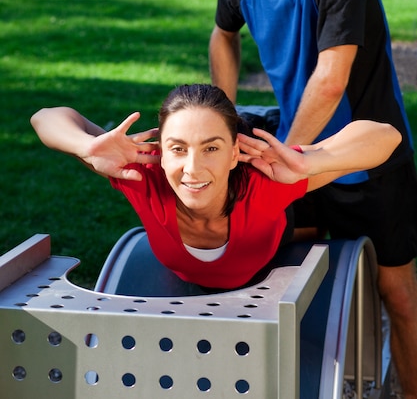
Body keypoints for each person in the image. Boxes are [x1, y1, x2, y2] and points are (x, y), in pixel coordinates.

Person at [209, 0, 417, 397]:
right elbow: (222, 34)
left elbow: (331, 77)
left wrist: (288, 154)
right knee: (293, 286)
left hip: (365, 155)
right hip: (296, 159)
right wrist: (222, 114)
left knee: (397, 294)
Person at [31, 83, 400, 290]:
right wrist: (86, 146)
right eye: (178, 149)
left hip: (272, 213)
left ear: (234, 152)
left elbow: (385, 136)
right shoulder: (142, 174)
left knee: (306, 215)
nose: (192, 169)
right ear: (159, 152)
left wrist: (309, 162)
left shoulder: (264, 180)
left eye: (210, 148)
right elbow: (45, 117)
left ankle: (262, 124)